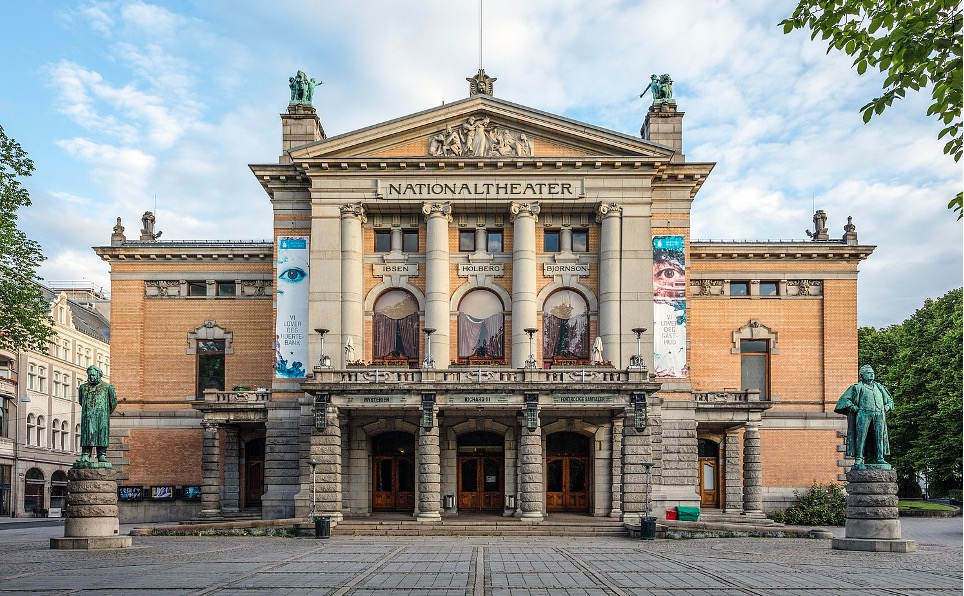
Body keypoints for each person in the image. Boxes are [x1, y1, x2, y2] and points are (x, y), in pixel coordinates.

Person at [834, 365, 894, 467]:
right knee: (861, 437)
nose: (872, 374)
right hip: (863, 413)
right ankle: (859, 458)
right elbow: (843, 400)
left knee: (880, 437)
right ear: (862, 375)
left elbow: (890, 400)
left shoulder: (880, 387)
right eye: (869, 372)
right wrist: (852, 407)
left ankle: (880, 457)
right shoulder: (857, 387)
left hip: (879, 413)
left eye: (872, 372)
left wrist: (887, 407)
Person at [78, 365, 118, 464]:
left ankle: (102, 455)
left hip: (102, 416)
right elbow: (80, 401)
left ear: (99, 375)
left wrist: (106, 413)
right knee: (87, 434)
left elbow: (113, 402)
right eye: (89, 375)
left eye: (93, 375)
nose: (91, 377)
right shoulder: (83, 387)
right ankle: (85, 455)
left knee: (102, 435)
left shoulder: (108, 387)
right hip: (88, 416)